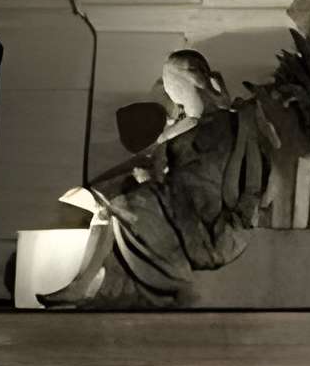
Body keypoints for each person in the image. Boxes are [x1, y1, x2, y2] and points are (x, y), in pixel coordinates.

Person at [42, 50, 276, 308]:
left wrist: (150, 178)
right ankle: (90, 284)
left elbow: (229, 178)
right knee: (111, 202)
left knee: (117, 201)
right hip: (180, 208)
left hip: (199, 221)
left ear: (183, 89)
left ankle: (94, 285)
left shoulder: (222, 125)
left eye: (173, 91)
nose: (174, 100)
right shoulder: (203, 125)